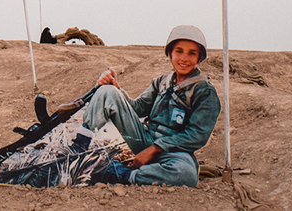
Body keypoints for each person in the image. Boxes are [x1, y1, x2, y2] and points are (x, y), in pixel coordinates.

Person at [60, 25, 221, 187]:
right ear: (170, 53)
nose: (184, 58)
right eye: (179, 51)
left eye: (192, 53)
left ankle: (118, 173)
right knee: (107, 91)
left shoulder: (204, 91)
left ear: (199, 58)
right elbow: (137, 109)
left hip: (174, 152)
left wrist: (155, 149)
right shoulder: (161, 82)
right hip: (144, 140)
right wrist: (116, 89)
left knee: (186, 175)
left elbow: (197, 136)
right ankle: (78, 150)